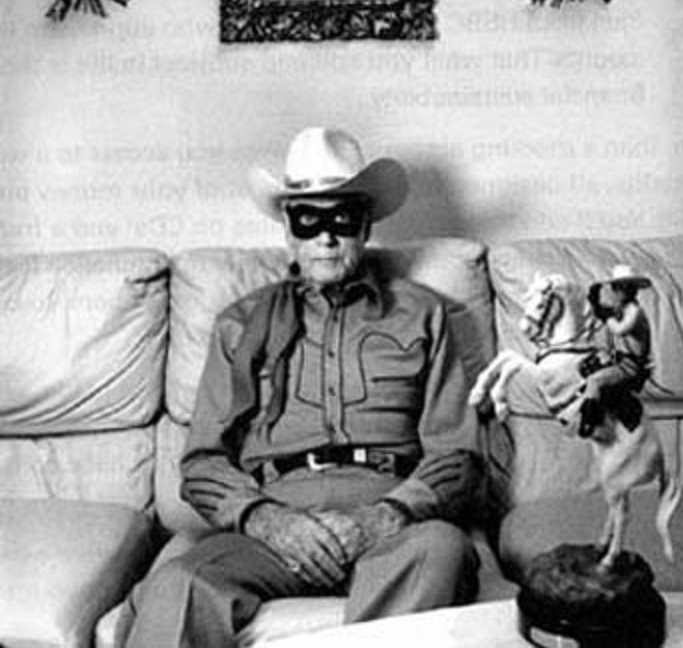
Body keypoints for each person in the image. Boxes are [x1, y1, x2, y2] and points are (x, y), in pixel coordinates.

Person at [125, 127, 486, 648]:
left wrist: (385, 517)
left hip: (391, 518)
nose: (326, 237)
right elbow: (202, 463)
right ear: (289, 231)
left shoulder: (423, 314)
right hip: (271, 520)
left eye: (343, 219)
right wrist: (268, 520)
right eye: (309, 219)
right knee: (179, 584)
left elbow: (457, 456)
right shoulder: (239, 324)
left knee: (441, 551)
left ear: (365, 227)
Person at [578, 264, 653, 436]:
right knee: (584, 368)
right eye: (616, 287)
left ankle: (590, 423)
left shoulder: (634, 311)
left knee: (595, 381)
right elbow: (608, 337)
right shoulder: (622, 309)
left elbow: (620, 329)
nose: (619, 292)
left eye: (625, 287)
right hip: (619, 359)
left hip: (631, 365)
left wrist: (605, 315)